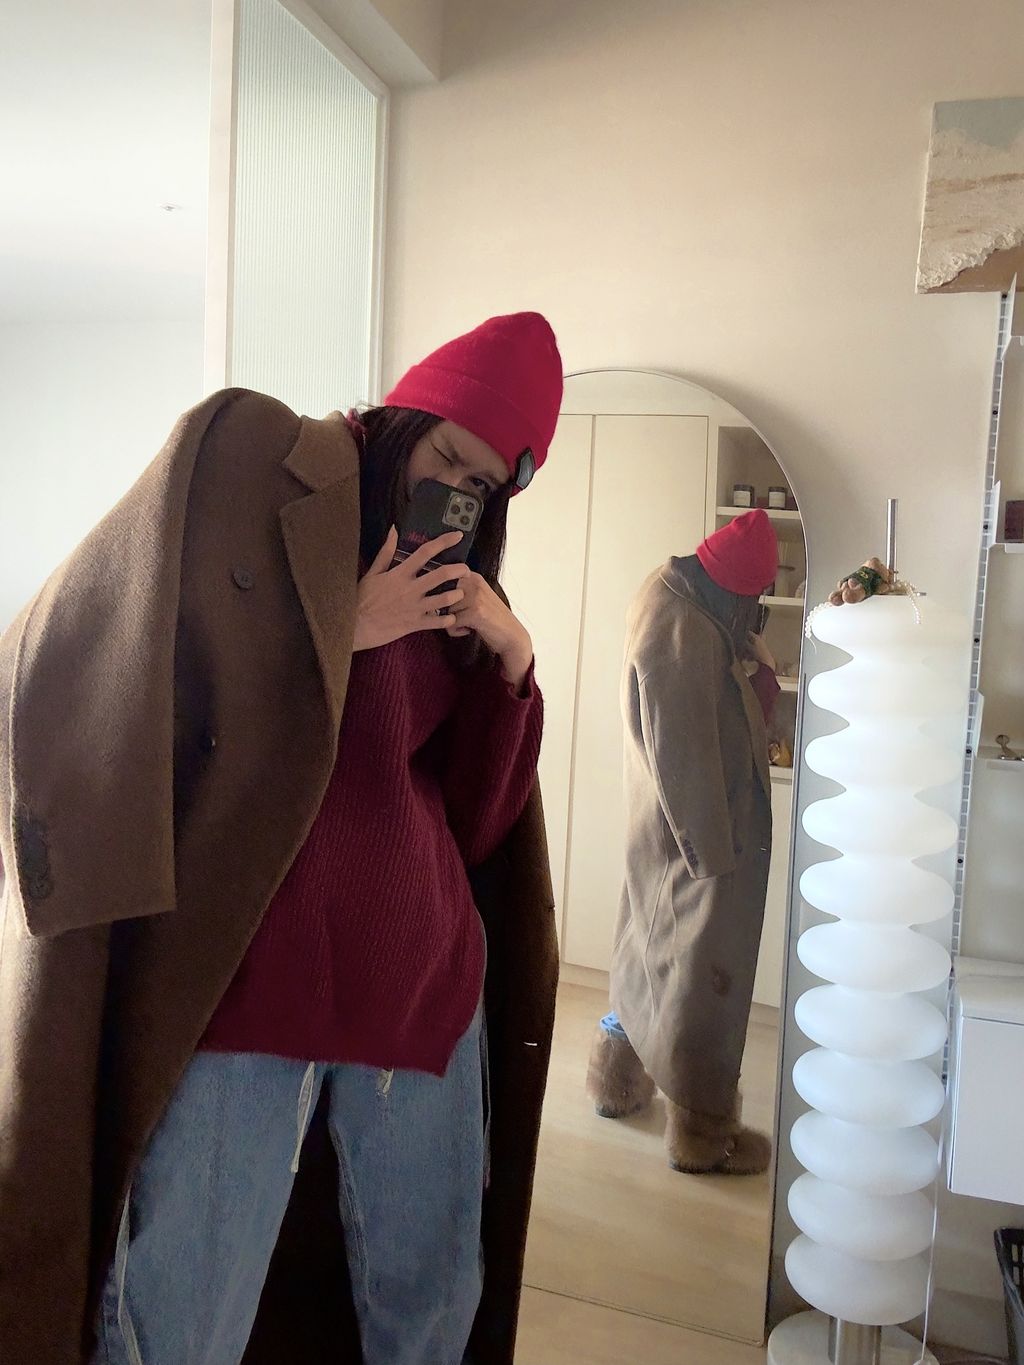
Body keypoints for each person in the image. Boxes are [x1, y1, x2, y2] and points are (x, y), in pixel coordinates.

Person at [0, 313, 564, 1365]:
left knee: (433, 1303)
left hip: (421, 991)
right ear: (407, 414)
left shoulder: (455, 577)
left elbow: (477, 826)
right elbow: (162, 693)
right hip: (253, 986)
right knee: (178, 1317)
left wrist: (511, 665)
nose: (454, 489)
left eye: (483, 485)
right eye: (446, 456)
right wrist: (346, 628)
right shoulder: (266, 481)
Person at [586, 509, 780, 1175]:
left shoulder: (668, 594)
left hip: (661, 827)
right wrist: (711, 855)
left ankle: (615, 1079)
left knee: (648, 954)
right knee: (702, 982)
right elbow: (689, 751)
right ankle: (701, 1133)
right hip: (698, 836)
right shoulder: (685, 629)